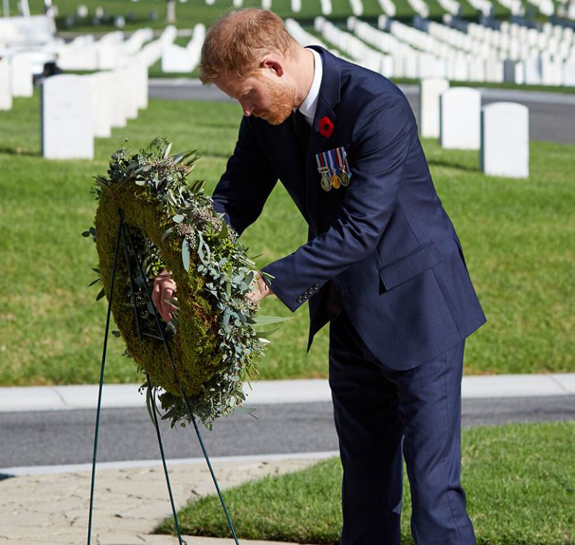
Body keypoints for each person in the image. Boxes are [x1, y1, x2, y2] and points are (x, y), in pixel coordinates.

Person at [152, 8, 487, 545]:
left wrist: (263, 282)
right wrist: (182, 265)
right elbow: (234, 198)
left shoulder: (375, 105)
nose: (245, 109)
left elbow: (361, 230)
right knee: (365, 493)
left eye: (247, 94)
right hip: (348, 314)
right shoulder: (266, 118)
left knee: (435, 496)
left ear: (273, 65)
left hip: (420, 310)